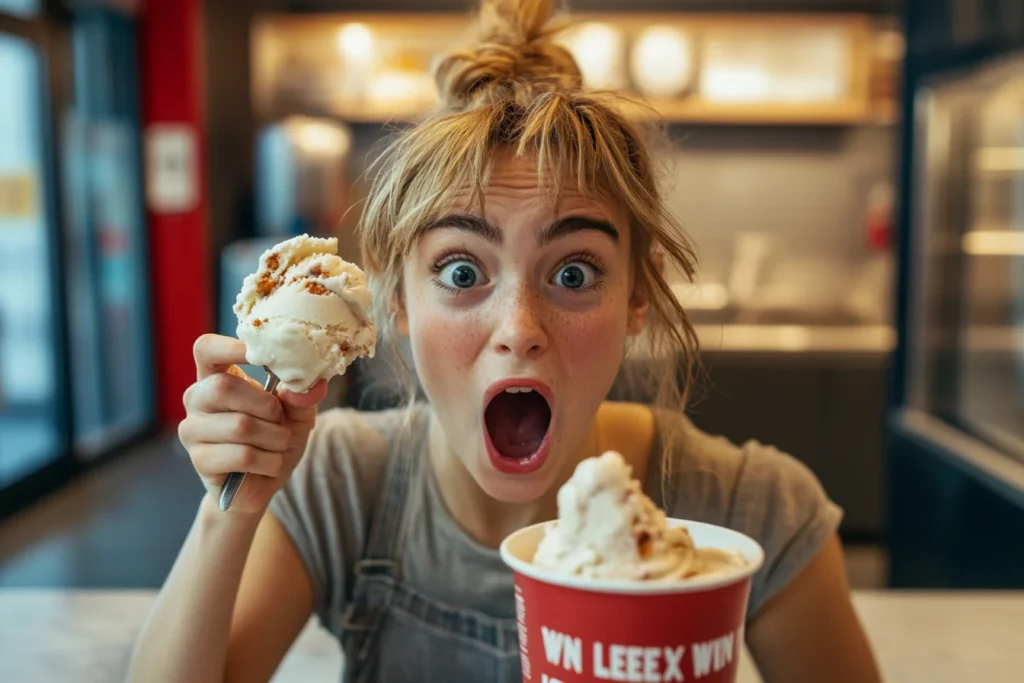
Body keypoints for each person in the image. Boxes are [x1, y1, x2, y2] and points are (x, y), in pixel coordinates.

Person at [129, 1, 881, 681]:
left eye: (576, 271)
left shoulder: (752, 509)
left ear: (639, 297)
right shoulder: (339, 484)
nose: (519, 330)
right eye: (461, 270)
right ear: (396, 299)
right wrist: (230, 506)